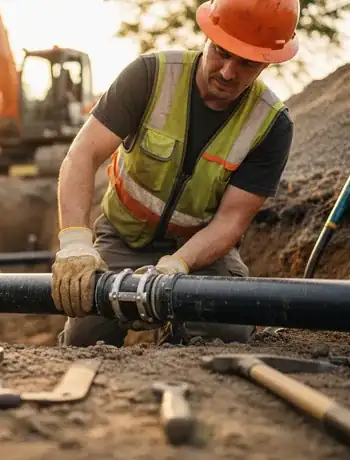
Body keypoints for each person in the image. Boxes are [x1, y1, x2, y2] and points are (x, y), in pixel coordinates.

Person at [51, 0, 300, 347]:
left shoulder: (271, 125)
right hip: (124, 237)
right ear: (207, 37)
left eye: (246, 63)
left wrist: (177, 266)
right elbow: (83, 153)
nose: (228, 72)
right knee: (85, 337)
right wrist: (75, 243)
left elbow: (230, 221)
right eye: (221, 53)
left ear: (266, 62)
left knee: (228, 335)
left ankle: (182, 335)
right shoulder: (151, 75)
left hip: (200, 252)